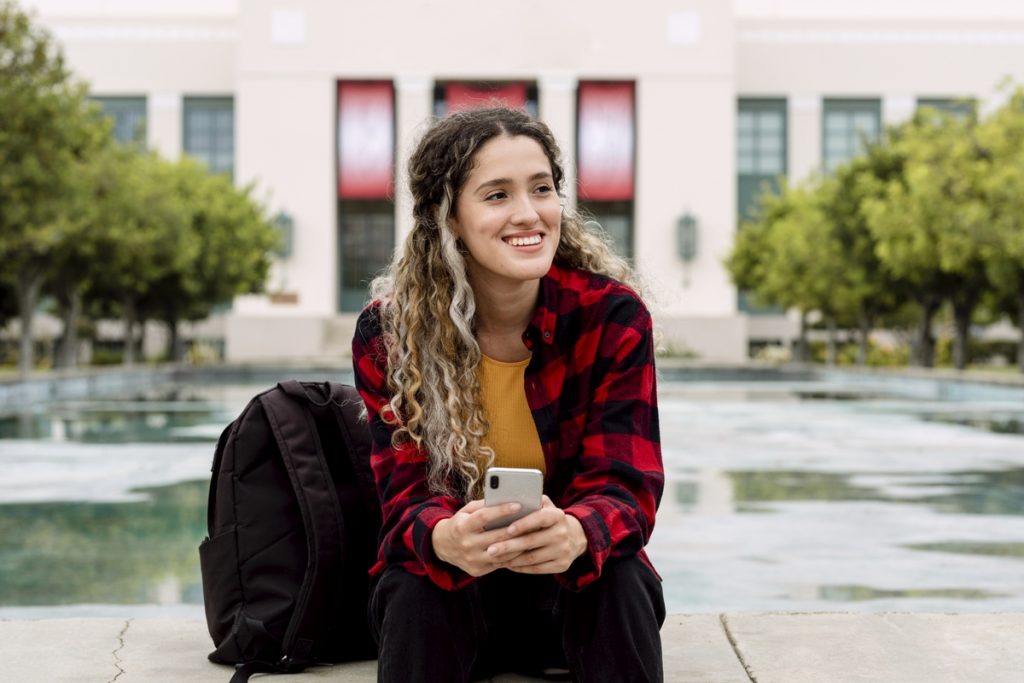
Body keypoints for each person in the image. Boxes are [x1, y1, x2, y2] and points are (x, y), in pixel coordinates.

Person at [352, 106, 665, 683]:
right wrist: (445, 538)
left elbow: (627, 484)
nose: (529, 214)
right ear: (449, 218)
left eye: (542, 189)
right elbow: (403, 498)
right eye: (497, 195)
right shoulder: (390, 333)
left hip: (571, 593)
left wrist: (576, 532)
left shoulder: (612, 316)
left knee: (620, 574)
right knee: (412, 581)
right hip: (456, 596)